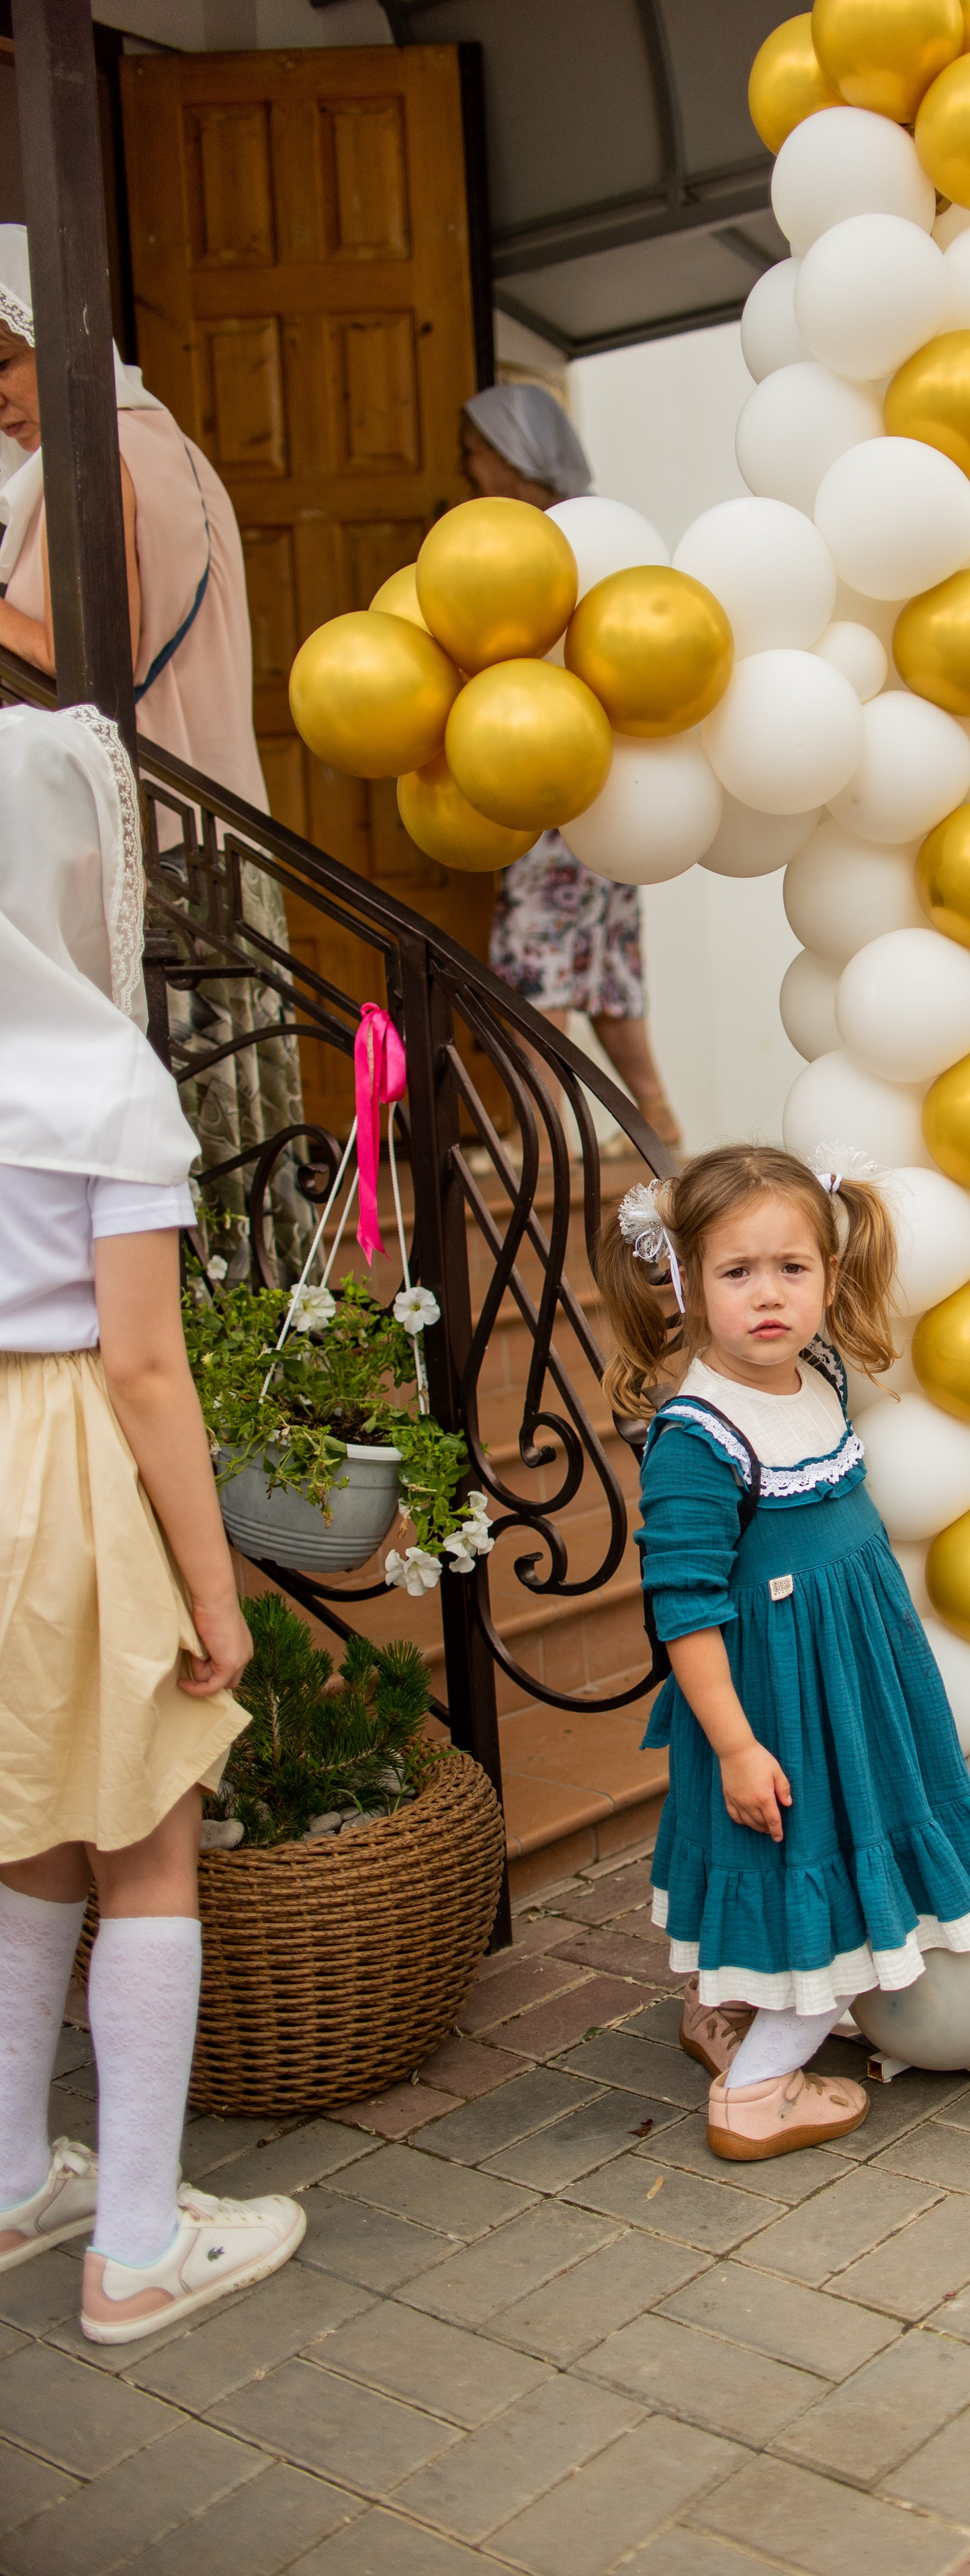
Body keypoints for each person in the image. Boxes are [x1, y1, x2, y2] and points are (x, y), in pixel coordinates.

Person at [0, 704, 303, 2340]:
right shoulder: (98, 1071)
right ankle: (133, 2242)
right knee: (148, 1839)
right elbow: (139, 1361)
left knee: (28, 1819)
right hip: (67, 1455)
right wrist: (217, 1588)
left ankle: (11, 2179)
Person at [596, 1144, 970, 2159]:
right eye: (737, 1272)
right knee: (813, 1884)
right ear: (687, 1282)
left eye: (793, 1268)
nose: (768, 1295)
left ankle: (725, 2011)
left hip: (853, 1690)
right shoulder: (698, 1435)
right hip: (779, 1708)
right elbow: (685, 1611)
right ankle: (756, 2093)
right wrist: (737, 1747)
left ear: (830, 1273)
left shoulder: (817, 1374)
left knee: (803, 1866)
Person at [0, 224, 305, 1282]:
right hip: (217, 840)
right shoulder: (170, 447)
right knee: (235, 1137)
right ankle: (266, 1341)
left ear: (57, 336)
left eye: (4, 359)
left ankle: (200, 1359)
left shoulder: (93, 458)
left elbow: (86, 662)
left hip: (152, 858)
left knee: (173, 1141)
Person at [465, 383, 684, 1148]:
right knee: (599, 960)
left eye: (477, 452)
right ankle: (651, 1112)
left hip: (558, 767)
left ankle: (539, 1133)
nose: (470, 469)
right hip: (595, 776)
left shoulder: (558, 539)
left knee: (538, 954)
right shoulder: (586, 528)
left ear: (513, 455)